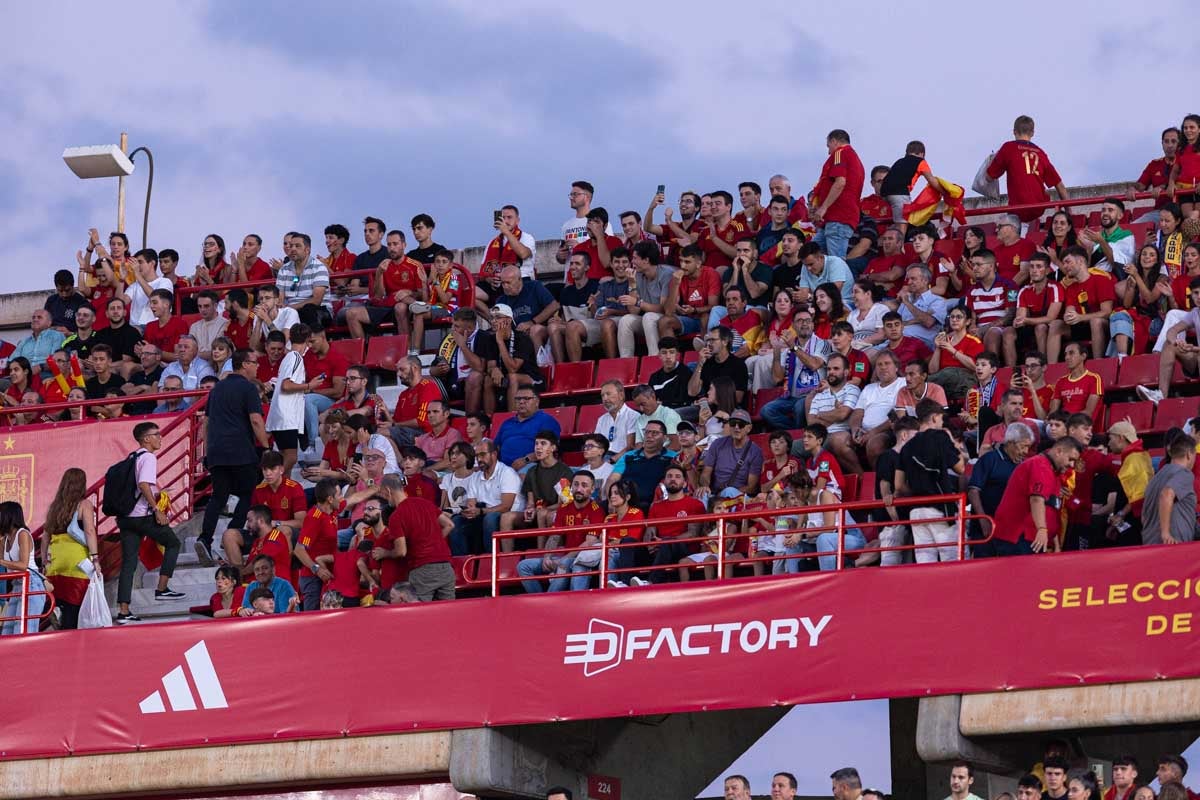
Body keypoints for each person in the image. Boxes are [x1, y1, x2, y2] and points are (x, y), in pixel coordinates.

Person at [195, 349, 271, 565]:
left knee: (218, 497)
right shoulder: (247, 388)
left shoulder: (217, 389)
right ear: (244, 364)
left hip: (217, 452)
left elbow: (206, 424)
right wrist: (266, 447)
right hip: (240, 451)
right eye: (254, 362)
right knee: (249, 493)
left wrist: (208, 452)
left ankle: (205, 538)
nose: (257, 366)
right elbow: (256, 420)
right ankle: (232, 533)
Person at [115, 422, 185, 624]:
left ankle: (123, 611)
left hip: (126, 518)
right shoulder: (149, 457)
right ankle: (162, 589)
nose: (160, 437)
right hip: (142, 516)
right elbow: (143, 484)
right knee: (173, 543)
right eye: (157, 434)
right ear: (146, 439)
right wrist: (156, 508)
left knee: (129, 563)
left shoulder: (132, 457)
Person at [896, 399, 966, 563]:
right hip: (940, 508)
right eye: (941, 418)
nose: (942, 422)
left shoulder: (907, 446)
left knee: (925, 564)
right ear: (934, 417)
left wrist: (918, 491)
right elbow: (960, 468)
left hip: (916, 511)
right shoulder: (940, 437)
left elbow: (898, 486)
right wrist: (956, 447)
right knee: (952, 561)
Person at [516, 470, 606, 592]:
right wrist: (547, 556)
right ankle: (539, 600)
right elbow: (555, 536)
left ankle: (548, 602)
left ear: (592, 489)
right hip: (563, 556)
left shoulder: (597, 510)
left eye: (584, 485)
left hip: (580, 559)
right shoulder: (564, 508)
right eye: (576, 484)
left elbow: (588, 543)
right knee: (523, 566)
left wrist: (562, 560)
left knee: (563, 565)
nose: (579, 489)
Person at [989, 436, 1079, 556]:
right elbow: (1036, 499)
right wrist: (1042, 529)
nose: (1072, 465)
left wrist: (1054, 541)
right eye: (1070, 459)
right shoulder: (1040, 465)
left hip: (1033, 539)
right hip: (1020, 538)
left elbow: (1051, 507)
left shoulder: (1052, 470)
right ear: (1058, 451)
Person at [378, 473, 455, 601]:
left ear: (388, 490)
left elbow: (401, 552)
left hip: (423, 569)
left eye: (383, 494)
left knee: (420, 614)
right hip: (446, 567)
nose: (385, 498)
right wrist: (433, 541)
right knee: (448, 614)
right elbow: (449, 524)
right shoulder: (425, 503)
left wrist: (386, 553)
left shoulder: (396, 516)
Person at [984, 115, 1070, 229]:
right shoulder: (1041, 153)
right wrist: (1069, 212)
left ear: (1014, 132)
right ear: (1032, 133)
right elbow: (1060, 185)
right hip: (1039, 208)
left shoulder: (1008, 148)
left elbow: (989, 177)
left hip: (1018, 208)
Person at [39, 468, 99, 630]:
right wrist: (95, 558)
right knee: (75, 604)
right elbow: (89, 531)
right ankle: (68, 636)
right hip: (76, 560)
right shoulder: (84, 504)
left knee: (60, 598)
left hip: (56, 561)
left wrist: (45, 561)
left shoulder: (55, 507)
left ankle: (57, 610)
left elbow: (45, 537)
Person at [760, 306, 830, 430]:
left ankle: (797, 436)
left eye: (808, 320)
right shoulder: (788, 349)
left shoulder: (822, 344)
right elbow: (777, 378)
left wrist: (793, 347)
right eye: (800, 321)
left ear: (813, 325)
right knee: (766, 410)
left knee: (799, 407)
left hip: (814, 395)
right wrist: (776, 350)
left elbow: (814, 365)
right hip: (791, 396)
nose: (804, 324)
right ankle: (794, 432)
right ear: (793, 325)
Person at [1047, 246, 1116, 362]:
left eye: (1068, 262)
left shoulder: (1101, 280)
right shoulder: (1070, 288)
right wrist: (1068, 316)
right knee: (1056, 325)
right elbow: (1070, 309)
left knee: (1096, 322)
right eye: (1063, 263)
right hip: (1079, 324)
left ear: (1081, 261)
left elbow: (1107, 312)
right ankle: (1051, 368)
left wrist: (1080, 317)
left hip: (1101, 325)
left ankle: (1098, 363)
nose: (1065, 266)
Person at [1140, 277, 1200, 404]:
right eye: (1195, 293)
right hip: (1196, 357)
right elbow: (1172, 331)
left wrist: (1193, 348)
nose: (1198, 297)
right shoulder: (1195, 313)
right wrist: (1176, 342)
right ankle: (1161, 395)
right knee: (1169, 345)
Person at [457, 439, 523, 555]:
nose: (479, 459)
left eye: (482, 455)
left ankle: (490, 559)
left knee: (490, 519)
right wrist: (470, 510)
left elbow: (506, 507)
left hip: (507, 515)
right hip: (483, 513)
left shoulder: (507, 473)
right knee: (456, 521)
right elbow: (471, 503)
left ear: (494, 454)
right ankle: (464, 561)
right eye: (477, 456)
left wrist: (481, 511)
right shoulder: (475, 477)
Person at [265, 322, 313, 475]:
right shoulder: (296, 357)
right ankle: (272, 483)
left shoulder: (288, 357)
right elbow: (286, 385)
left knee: (285, 457)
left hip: (282, 416)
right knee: (291, 458)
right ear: (307, 340)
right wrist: (309, 386)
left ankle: (282, 493)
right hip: (286, 416)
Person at [810, 129, 866, 258]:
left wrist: (823, 207)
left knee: (836, 263)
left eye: (828, 146)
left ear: (834, 141)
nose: (828, 151)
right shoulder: (856, 160)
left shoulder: (840, 153)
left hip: (838, 217)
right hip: (834, 220)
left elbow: (840, 182)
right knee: (812, 255)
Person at [1003, 253, 1062, 367]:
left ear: (1047, 271)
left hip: (1053, 328)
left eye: (1039, 267)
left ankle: (1042, 364)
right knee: (1008, 331)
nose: (1034, 270)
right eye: (1032, 267)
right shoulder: (1024, 290)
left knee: (1041, 327)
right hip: (1030, 325)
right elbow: (1021, 316)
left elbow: (1051, 318)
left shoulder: (1055, 287)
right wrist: (1018, 321)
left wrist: (1025, 320)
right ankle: (1011, 369)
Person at [617, 241, 675, 357]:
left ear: (646, 260)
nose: (632, 262)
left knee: (648, 317)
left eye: (635, 258)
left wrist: (638, 303)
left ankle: (653, 358)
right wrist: (632, 284)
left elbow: (664, 310)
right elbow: (634, 311)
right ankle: (626, 362)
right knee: (626, 320)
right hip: (648, 320)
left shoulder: (667, 274)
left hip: (667, 319)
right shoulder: (637, 275)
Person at [605, 420, 676, 513]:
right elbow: (612, 479)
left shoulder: (672, 457)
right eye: (647, 432)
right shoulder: (629, 455)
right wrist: (611, 501)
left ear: (665, 438)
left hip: (654, 503)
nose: (649, 436)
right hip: (625, 501)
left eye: (654, 433)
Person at [291, 478, 340, 611]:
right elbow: (299, 549)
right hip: (313, 578)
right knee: (312, 618)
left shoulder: (332, 512)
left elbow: (353, 499)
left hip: (328, 574)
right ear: (330, 499)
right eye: (339, 495)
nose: (341, 499)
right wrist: (316, 569)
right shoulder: (314, 518)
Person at [487, 304, 545, 413]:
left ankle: (511, 417)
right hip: (507, 377)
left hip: (532, 379)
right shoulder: (490, 339)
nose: (493, 321)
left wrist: (500, 341)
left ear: (508, 321)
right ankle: (489, 419)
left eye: (498, 317)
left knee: (512, 377)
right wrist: (494, 369)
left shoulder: (522, 339)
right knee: (487, 380)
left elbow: (513, 368)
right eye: (492, 318)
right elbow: (490, 365)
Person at [697, 409, 762, 504]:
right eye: (733, 423)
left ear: (749, 428)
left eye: (741, 424)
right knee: (702, 494)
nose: (736, 427)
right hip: (715, 493)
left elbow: (751, 488)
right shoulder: (717, 444)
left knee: (729, 491)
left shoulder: (755, 451)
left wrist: (725, 494)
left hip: (739, 495)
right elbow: (705, 473)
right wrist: (705, 486)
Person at [1143, 433, 1198, 544]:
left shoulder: (1155, 479)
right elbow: (1167, 494)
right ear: (1189, 455)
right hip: (1173, 547)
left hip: (1150, 547)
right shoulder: (1184, 473)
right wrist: (1165, 533)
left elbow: (1144, 517)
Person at [882, 141, 944, 235]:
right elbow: (932, 181)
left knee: (896, 223)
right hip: (900, 193)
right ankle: (899, 247)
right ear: (922, 154)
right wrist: (945, 192)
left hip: (884, 193)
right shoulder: (921, 161)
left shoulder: (899, 161)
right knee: (902, 225)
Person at [493, 384, 560, 468]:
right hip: (503, 468)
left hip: (532, 465)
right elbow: (496, 447)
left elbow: (549, 448)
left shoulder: (546, 421)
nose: (521, 402)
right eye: (518, 399)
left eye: (526, 398)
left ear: (537, 402)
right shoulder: (507, 423)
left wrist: (526, 460)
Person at [0, 502, 42, 634]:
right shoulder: (4, 540)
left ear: (8, 516)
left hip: (31, 583)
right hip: (17, 585)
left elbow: (23, 565)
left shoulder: (22, 534)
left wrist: (2, 561)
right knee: (7, 632)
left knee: (23, 630)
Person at [275, 233, 332, 327]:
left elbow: (316, 301)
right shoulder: (283, 269)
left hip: (319, 311)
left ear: (307, 250)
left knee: (308, 310)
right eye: (291, 245)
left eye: (297, 246)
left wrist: (290, 308)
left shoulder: (319, 267)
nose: (292, 249)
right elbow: (280, 299)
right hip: (291, 312)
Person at [1049, 342, 1105, 429]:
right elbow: (1053, 411)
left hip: (1081, 425)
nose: (1067, 357)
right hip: (1061, 424)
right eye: (1065, 354)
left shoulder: (1094, 378)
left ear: (1083, 356)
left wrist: (1065, 420)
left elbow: (1088, 412)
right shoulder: (1061, 381)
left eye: (1071, 353)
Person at [391, 354, 442, 448]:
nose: (398, 374)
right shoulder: (403, 394)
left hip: (425, 435)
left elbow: (422, 421)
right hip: (405, 432)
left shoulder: (427, 387)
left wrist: (394, 424)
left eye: (402, 369)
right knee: (378, 431)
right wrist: (384, 412)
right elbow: (395, 420)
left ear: (414, 368)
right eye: (397, 370)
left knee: (384, 433)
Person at [12, 310, 66, 376]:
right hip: (23, 375)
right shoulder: (24, 341)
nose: (35, 319)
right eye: (33, 317)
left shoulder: (56, 336)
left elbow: (56, 361)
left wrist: (40, 367)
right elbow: (12, 361)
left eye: (39, 317)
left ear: (49, 323)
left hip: (46, 374)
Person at [594, 379, 638, 458]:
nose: (605, 399)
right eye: (602, 395)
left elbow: (631, 447)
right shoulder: (601, 419)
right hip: (602, 459)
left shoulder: (633, 416)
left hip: (622, 459)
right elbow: (596, 445)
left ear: (621, 395)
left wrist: (612, 460)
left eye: (608, 394)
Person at [44, 269, 89, 333]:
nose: (64, 294)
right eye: (60, 291)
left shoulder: (82, 302)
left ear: (72, 286)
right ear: (56, 287)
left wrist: (69, 333)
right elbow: (44, 323)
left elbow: (86, 330)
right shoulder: (51, 300)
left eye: (67, 290)